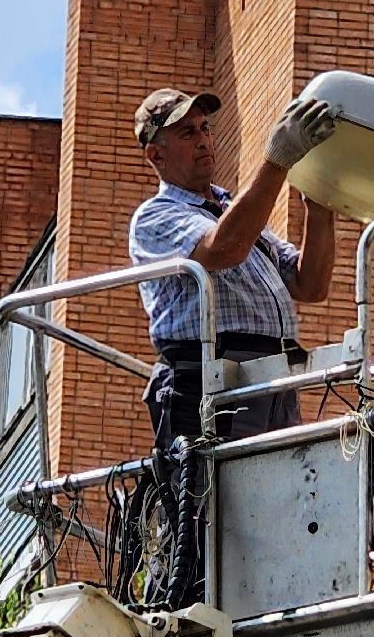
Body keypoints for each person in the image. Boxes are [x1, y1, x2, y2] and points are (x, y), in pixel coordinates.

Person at [129, 87, 339, 448]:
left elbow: (310, 286)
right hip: (210, 380)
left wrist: (319, 204)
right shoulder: (155, 216)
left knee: (279, 495)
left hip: (272, 379)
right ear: (156, 154)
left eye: (205, 128)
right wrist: (277, 161)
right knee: (217, 498)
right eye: (187, 133)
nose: (203, 140)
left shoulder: (231, 207)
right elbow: (225, 248)